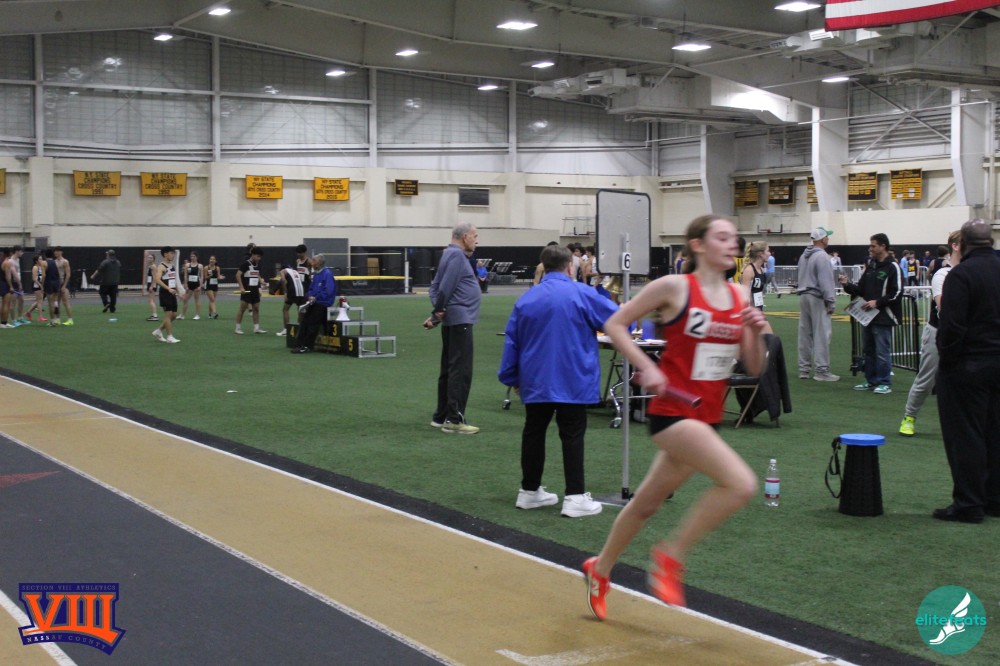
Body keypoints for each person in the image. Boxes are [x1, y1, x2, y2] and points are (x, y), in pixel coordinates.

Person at [581, 214, 767, 619]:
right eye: (722, 237)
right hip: (674, 414)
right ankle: (670, 555)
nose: (732, 244)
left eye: (734, 238)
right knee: (740, 484)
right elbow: (615, 324)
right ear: (698, 245)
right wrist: (646, 366)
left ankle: (600, 567)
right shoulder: (674, 287)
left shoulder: (740, 296)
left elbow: (754, 367)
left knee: (646, 504)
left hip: (706, 415)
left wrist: (755, 331)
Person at [499, 245, 618, 519]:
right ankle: (575, 496)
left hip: (536, 377)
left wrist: (512, 377)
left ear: (543, 266)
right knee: (572, 434)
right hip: (573, 376)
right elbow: (616, 319)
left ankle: (529, 491)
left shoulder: (527, 298)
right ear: (570, 266)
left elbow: (512, 340)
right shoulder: (582, 293)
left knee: (533, 432)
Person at [932, 219, 1000, 523]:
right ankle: (994, 499)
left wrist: (947, 364)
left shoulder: (961, 275)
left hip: (968, 366)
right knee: (995, 433)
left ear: (964, 244)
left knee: (966, 435)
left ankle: (969, 503)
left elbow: (952, 327)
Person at [899, 231, 960, 437]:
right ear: (955, 246)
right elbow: (944, 307)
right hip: (938, 333)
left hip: (963, 336)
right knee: (926, 380)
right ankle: (909, 417)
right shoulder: (942, 274)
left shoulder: (970, 272)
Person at [426, 223, 481, 434]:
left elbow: (435, 287)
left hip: (454, 319)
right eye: (475, 236)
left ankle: (441, 416)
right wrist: (437, 312)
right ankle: (454, 419)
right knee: (461, 370)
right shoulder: (457, 256)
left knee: (449, 369)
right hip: (461, 321)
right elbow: (443, 289)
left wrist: (438, 313)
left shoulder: (448, 254)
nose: (477, 240)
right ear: (465, 237)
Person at [839, 233, 902, 394]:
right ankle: (871, 380)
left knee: (882, 351)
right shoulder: (871, 265)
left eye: (873, 246)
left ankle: (884, 382)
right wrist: (847, 285)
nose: (870, 249)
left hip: (884, 316)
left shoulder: (892, 267)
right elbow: (860, 290)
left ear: (883, 246)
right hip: (867, 316)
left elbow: (897, 293)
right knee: (868, 350)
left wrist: (877, 302)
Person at [795, 227, 840, 382]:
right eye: (827, 236)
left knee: (805, 335)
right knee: (822, 334)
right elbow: (826, 281)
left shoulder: (804, 256)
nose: (828, 239)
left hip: (804, 296)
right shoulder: (822, 256)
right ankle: (822, 370)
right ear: (822, 239)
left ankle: (804, 369)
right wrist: (831, 301)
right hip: (817, 297)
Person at [292, 254, 337, 353]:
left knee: (312, 322)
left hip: (323, 303)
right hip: (314, 302)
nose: (312, 263)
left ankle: (307, 346)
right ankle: (299, 344)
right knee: (304, 320)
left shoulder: (327, 274)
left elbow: (328, 291)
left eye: (314, 261)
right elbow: (311, 288)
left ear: (319, 263)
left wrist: (316, 297)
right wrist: (309, 296)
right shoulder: (316, 275)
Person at [279, 245, 312, 335]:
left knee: (300, 309)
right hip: (296, 286)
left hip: (305, 288)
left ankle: (299, 328)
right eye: (297, 253)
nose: (298, 255)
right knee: (287, 308)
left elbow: (311, 275)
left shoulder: (309, 262)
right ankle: (287, 329)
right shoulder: (297, 261)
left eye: (300, 253)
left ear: (304, 252)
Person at [235, 246, 267, 335]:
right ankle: (237, 328)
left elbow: (257, 274)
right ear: (252, 255)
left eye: (260, 257)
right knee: (242, 309)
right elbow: (238, 275)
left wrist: (261, 281)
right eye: (258, 256)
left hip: (255, 290)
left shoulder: (257, 265)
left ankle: (256, 328)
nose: (259, 258)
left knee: (256, 309)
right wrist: (241, 287)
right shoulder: (245, 264)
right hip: (247, 290)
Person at [151, 246, 180, 343]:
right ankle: (169, 337)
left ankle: (158, 331)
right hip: (165, 293)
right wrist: (168, 288)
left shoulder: (172, 265)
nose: (173, 255)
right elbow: (157, 279)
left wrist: (178, 292)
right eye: (171, 253)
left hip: (172, 293)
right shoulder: (161, 266)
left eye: (173, 253)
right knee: (168, 315)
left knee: (174, 315)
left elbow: (173, 280)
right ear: (165, 254)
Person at [90, 249, 121, 314]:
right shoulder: (118, 262)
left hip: (105, 282)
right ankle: (112, 308)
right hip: (115, 282)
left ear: (108, 254)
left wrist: (93, 276)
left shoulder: (105, 262)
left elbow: (99, 270)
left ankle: (106, 303)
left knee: (102, 293)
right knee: (113, 296)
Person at [178, 251, 204, 320]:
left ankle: (197, 315)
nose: (192, 258)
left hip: (196, 285)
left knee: (197, 300)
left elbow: (201, 276)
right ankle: (182, 315)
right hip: (189, 285)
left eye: (194, 256)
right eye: (191, 256)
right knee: (185, 300)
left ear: (197, 257)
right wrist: (185, 284)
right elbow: (185, 275)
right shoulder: (187, 265)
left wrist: (200, 286)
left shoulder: (200, 266)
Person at [53, 247, 74, 326]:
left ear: (61, 252)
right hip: (56, 283)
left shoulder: (65, 261)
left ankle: (70, 319)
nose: (56, 253)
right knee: (56, 302)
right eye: (55, 251)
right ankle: (57, 319)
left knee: (65, 301)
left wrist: (64, 285)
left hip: (64, 282)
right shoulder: (54, 261)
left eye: (58, 251)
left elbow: (68, 274)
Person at [25, 254, 47, 322]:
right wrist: (40, 285)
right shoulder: (35, 267)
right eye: (40, 259)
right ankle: (40, 317)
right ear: (36, 261)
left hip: (41, 285)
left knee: (39, 301)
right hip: (37, 285)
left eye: (42, 259)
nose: (41, 260)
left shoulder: (41, 267)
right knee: (39, 301)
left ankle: (28, 313)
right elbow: (34, 279)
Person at [42, 249, 61, 326]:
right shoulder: (56, 262)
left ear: (45, 255)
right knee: (55, 300)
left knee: (50, 303)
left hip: (49, 282)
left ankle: (52, 322)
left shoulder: (44, 263)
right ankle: (57, 318)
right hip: (56, 282)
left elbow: (43, 275)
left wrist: (42, 284)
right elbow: (58, 273)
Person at [204, 255, 223, 319]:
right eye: (211, 259)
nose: (212, 260)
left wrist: (221, 277)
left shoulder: (217, 268)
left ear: (215, 261)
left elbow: (218, 276)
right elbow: (205, 277)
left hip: (215, 285)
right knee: (212, 299)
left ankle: (210, 313)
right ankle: (215, 313)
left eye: (213, 259)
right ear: (209, 260)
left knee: (211, 300)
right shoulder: (206, 268)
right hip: (208, 285)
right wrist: (209, 276)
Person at [142, 252, 159, 321]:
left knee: (151, 300)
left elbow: (155, 278)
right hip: (150, 284)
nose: (149, 259)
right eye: (148, 258)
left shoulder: (153, 266)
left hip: (152, 285)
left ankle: (155, 315)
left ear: (153, 259)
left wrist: (152, 286)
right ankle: (153, 314)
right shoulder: (150, 266)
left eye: (151, 258)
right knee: (150, 300)